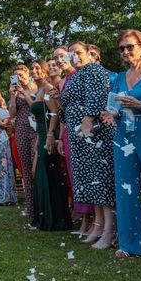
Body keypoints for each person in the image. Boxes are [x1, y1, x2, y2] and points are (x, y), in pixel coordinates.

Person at [100, 30, 141, 257]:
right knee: (125, 188)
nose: (126, 51)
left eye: (130, 46)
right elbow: (113, 108)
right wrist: (109, 115)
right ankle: (130, 244)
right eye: (122, 48)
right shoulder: (118, 78)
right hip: (123, 135)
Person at [60, 42, 115, 250]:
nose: (75, 57)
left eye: (79, 53)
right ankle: (98, 226)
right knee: (90, 180)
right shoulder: (76, 75)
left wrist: (88, 119)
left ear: (90, 54)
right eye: (71, 54)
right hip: (79, 136)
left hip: (94, 133)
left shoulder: (94, 69)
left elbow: (98, 95)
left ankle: (109, 230)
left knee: (100, 180)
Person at [54, 45, 94, 234]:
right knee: (75, 174)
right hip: (70, 131)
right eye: (57, 58)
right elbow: (63, 110)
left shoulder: (87, 73)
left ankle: (93, 219)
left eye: (63, 56)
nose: (60, 60)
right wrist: (61, 137)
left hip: (87, 130)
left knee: (90, 173)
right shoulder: (65, 80)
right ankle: (85, 217)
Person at [28, 61, 72, 231]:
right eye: (32, 68)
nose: (34, 71)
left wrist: (49, 136)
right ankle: (46, 217)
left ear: (45, 70)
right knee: (39, 173)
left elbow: (54, 114)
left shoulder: (46, 88)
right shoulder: (39, 90)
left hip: (49, 136)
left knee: (46, 174)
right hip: (41, 135)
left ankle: (53, 219)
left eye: (38, 68)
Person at [8, 65, 37, 218]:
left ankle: (41, 205)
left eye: (21, 74)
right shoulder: (16, 93)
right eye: (16, 76)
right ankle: (30, 206)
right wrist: (13, 96)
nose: (19, 78)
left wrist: (24, 92)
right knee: (25, 169)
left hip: (36, 130)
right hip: (21, 130)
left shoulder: (37, 88)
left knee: (36, 167)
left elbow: (37, 108)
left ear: (27, 74)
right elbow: (12, 113)